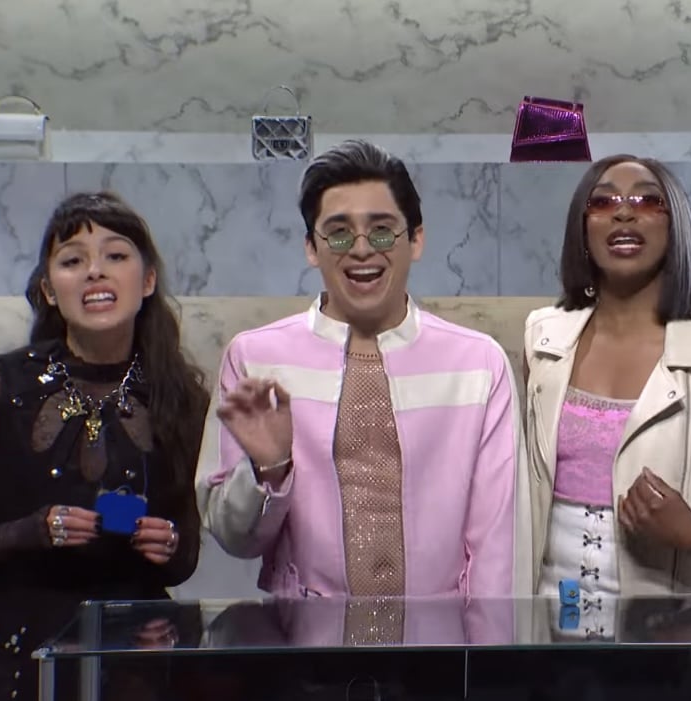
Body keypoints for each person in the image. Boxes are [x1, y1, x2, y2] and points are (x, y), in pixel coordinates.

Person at [198, 140, 522, 643]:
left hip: (439, 651)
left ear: (416, 239)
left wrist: (484, 668)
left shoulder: (477, 364)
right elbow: (234, 538)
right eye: (339, 232)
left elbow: (494, 551)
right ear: (312, 248)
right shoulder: (256, 360)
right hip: (305, 651)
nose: (363, 248)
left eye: (382, 229)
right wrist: (269, 470)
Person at [0, 192, 210, 701]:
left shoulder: (180, 399)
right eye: (73, 261)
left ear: (147, 281)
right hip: (1, 656)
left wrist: (167, 544)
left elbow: (185, 553)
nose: (95, 271)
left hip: (128, 660)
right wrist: (34, 530)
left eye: (115, 256)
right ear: (49, 290)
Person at [522, 154, 691, 639]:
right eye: (603, 202)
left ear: (675, 225)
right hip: (547, 640)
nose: (624, 212)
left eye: (646, 200)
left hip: (675, 643)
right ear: (582, 228)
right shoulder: (542, 340)